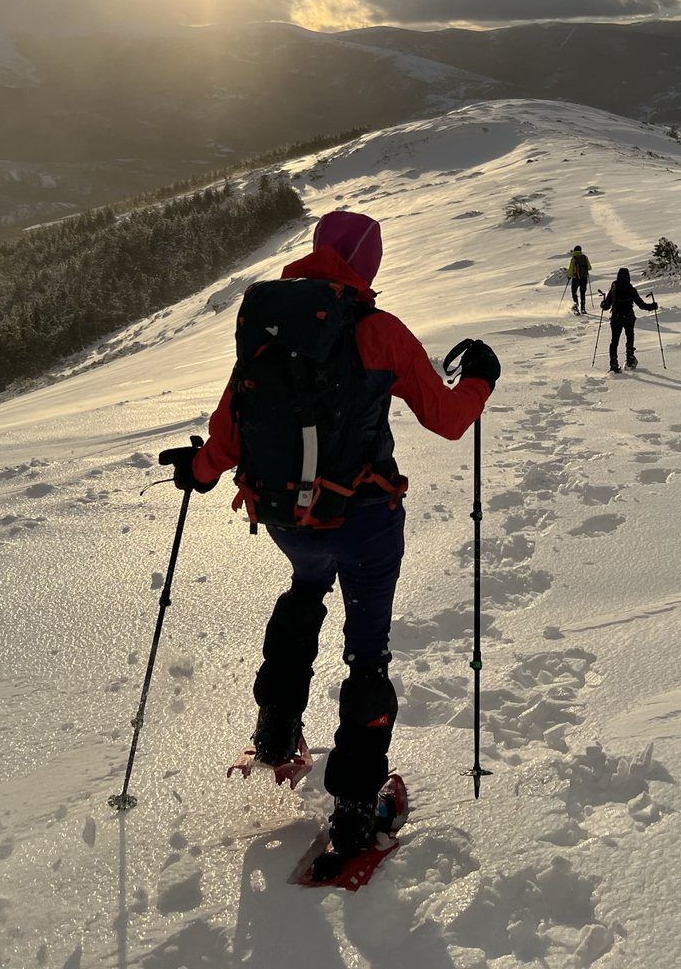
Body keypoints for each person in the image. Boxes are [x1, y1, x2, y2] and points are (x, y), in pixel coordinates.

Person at [160, 211, 499, 878]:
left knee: (305, 591)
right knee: (366, 655)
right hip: (367, 523)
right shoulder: (378, 332)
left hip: (287, 520)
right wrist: (482, 376)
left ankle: (276, 739)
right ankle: (352, 813)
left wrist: (196, 472)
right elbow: (450, 419)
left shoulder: (265, 328)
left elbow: (225, 435)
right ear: (367, 265)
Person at [600, 266, 657, 373]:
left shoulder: (614, 288)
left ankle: (613, 364)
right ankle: (630, 359)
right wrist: (653, 306)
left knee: (614, 341)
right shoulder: (631, 289)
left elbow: (606, 306)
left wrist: (602, 304)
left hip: (616, 318)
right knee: (629, 337)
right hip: (629, 317)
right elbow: (642, 305)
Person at [566, 245, 592, 314]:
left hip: (576, 278)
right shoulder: (585, 257)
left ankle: (576, 306)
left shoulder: (574, 258)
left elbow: (571, 269)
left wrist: (569, 276)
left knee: (574, 292)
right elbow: (589, 268)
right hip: (584, 278)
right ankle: (583, 308)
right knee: (582, 293)